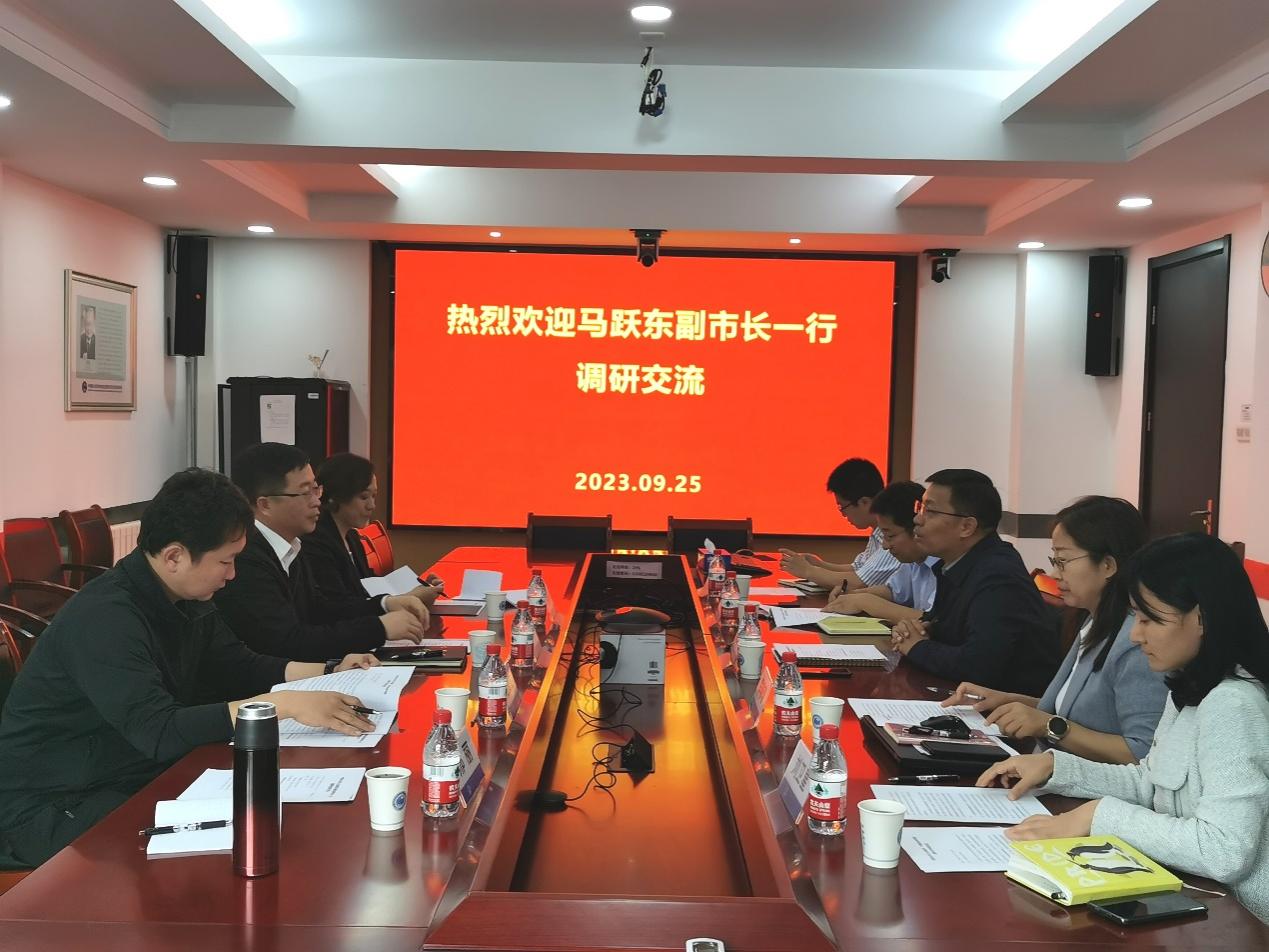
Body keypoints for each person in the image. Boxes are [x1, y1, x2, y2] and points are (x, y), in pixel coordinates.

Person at [0, 468, 381, 868]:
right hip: (52, 803)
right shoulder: (105, 618)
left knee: (273, 825)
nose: (232, 574)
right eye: (226, 561)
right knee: (215, 857)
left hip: (128, 774)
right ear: (175, 557)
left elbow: (237, 663)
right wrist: (279, 706)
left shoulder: (183, 594)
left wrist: (329, 670)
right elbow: (159, 731)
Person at [978, 533, 1269, 925]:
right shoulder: (1191, 684)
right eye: (1136, 617)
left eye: (1151, 619)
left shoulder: (1234, 704)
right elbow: (1151, 782)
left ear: (1201, 618)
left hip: (1240, 921)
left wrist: (1098, 815)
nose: (1135, 635)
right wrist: (1056, 767)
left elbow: (1225, 850)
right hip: (1196, 900)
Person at [943, 496, 1167, 763]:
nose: (1055, 574)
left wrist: (1049, 726)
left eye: (1063, 561)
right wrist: (1005, 700)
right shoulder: (1094, 620)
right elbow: (1069, 712)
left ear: (1108, 565)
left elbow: (1143, 752)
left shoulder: (1137, 643)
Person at [215, 443, 427, 662]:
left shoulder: (291, 545)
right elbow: (287, 643)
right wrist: (378, 628)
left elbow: (320, 609)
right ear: (265, 505)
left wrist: (385, 604)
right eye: (306, 492)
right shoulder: (245, 558)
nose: (317, 501)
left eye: (316, 489)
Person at [890, 469, 1059, 695]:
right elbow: (943, 628)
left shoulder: (999, 576)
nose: (917, 519)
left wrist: (917, 646)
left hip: (1006, 709)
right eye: (919, 508)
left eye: (930, 511)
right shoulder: (955, 565)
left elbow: (978, 666)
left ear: (967, 527)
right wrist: (918, 629)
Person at [306, 452, 442, 617]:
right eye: (364, 497)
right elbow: (338, 606)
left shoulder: (352, 537)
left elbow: (369, 586)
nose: (372, 505)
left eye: (374, 496)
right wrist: (408, 598)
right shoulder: (315, 543)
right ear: (336, 497)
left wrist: (418, 589)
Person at [822, 480, 936, 623]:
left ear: (917, 528)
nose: (885, 546)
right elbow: (894, 591)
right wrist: (853, 595)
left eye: (890, 536)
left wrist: (865, 602)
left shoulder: (945, 564)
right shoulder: (913, 560)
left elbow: (933, 621)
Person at [779, 457, 899, 591]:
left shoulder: (894, 536)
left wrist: (808, 571)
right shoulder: (877, 531)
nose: (843, 514)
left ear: (864, 502)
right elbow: (858, 568)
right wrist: (818, 564)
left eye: (842, 506)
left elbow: (858, 582)